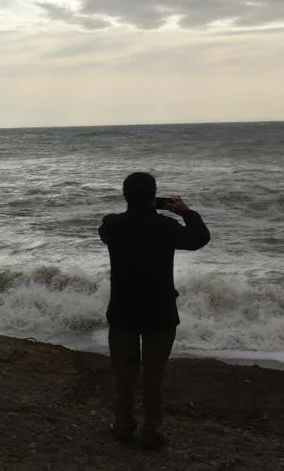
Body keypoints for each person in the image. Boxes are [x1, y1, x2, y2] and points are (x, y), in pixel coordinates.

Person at [98, 171, 210, 450]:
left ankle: (123, 426)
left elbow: (105, 228)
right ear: (154, 197)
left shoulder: (113, 226)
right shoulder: (166, 227)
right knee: (154, 375)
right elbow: (199, 238)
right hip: (159, 312)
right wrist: (187, 213)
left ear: (125, 196)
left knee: (123, 373)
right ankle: (152, 430)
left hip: (123, 311)